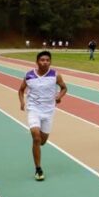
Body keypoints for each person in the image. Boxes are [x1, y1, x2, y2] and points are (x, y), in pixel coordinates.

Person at [18, 51, 67, 181]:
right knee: (36, 137)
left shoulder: (55, 75)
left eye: (47, 60)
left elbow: (64, 88)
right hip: (33, 109)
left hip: (48, 111)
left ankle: (38, 142)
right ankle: (38, 169)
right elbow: (21, 90)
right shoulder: (29, 75)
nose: (45, 62)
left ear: (50, 62)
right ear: (37, 62)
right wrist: (22, 102)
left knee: (42, 141)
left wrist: (59, 96)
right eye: (42, 60)